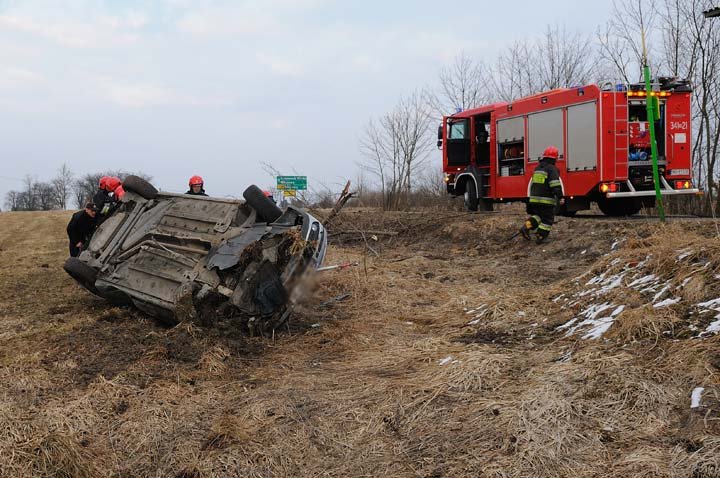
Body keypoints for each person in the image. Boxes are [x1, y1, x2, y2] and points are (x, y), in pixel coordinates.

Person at [520, 145, 563, 244]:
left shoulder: (538, 168)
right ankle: (540, 236)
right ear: (554, 158)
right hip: (546, 200)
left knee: (539, 216)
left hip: (534, 199)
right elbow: (555, 184)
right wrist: (560, 196)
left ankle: (526, 226)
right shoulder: (552, 169)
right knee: (548, 219)